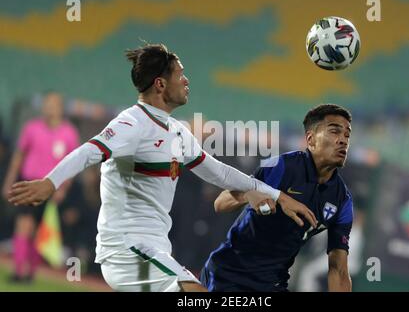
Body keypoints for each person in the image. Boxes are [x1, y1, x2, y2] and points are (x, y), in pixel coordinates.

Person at [8, 43, 317, 292]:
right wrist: (50, 182)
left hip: (156, 250)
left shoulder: (177, 131)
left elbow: (219, 172)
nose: (186, 81)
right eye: (180, 74)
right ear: (160, 84)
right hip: (127, 250)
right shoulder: (132, 123)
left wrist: (276, 195)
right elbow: (90, 151)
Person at [200, 104, 354, 292]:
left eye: (347, 134)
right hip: (229, 275)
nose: (343, 140)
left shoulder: (342, 200)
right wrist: (249, 194)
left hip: (273, 284)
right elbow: (220, 203)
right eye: (334, 132)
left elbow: (338, 270)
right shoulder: (282, 167)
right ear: (310, 139)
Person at [2, 92, 79, 282]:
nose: (49, 108)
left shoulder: (69, 133)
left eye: (53, 104)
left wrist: (63, 189)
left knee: (40, 233)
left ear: (60, 108)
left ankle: (31, 273)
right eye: (46, 104)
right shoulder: (32, 128)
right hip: (28, 184)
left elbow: (74, 165)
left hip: (51, 189)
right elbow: (19, 156)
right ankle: (19, 272)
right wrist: (9, 181)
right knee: (23, 226)